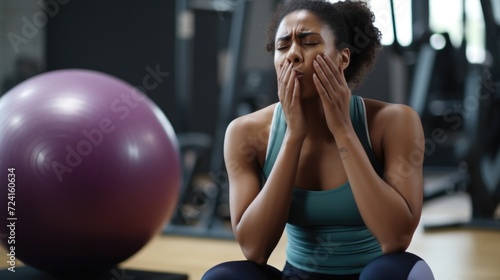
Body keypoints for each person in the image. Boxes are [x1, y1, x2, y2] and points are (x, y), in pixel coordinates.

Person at [202, 0, 434, 279]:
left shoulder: (395, 122)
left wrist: (344, 130)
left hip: (371, 275)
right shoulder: (245, 132)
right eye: (282, 46)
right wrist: (293, 136)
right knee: (224, 277)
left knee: (393, 272)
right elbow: (255, 249)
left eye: (309, 42)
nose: (293, 55)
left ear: (343, 58)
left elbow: (395, 238)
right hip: (298, 275)